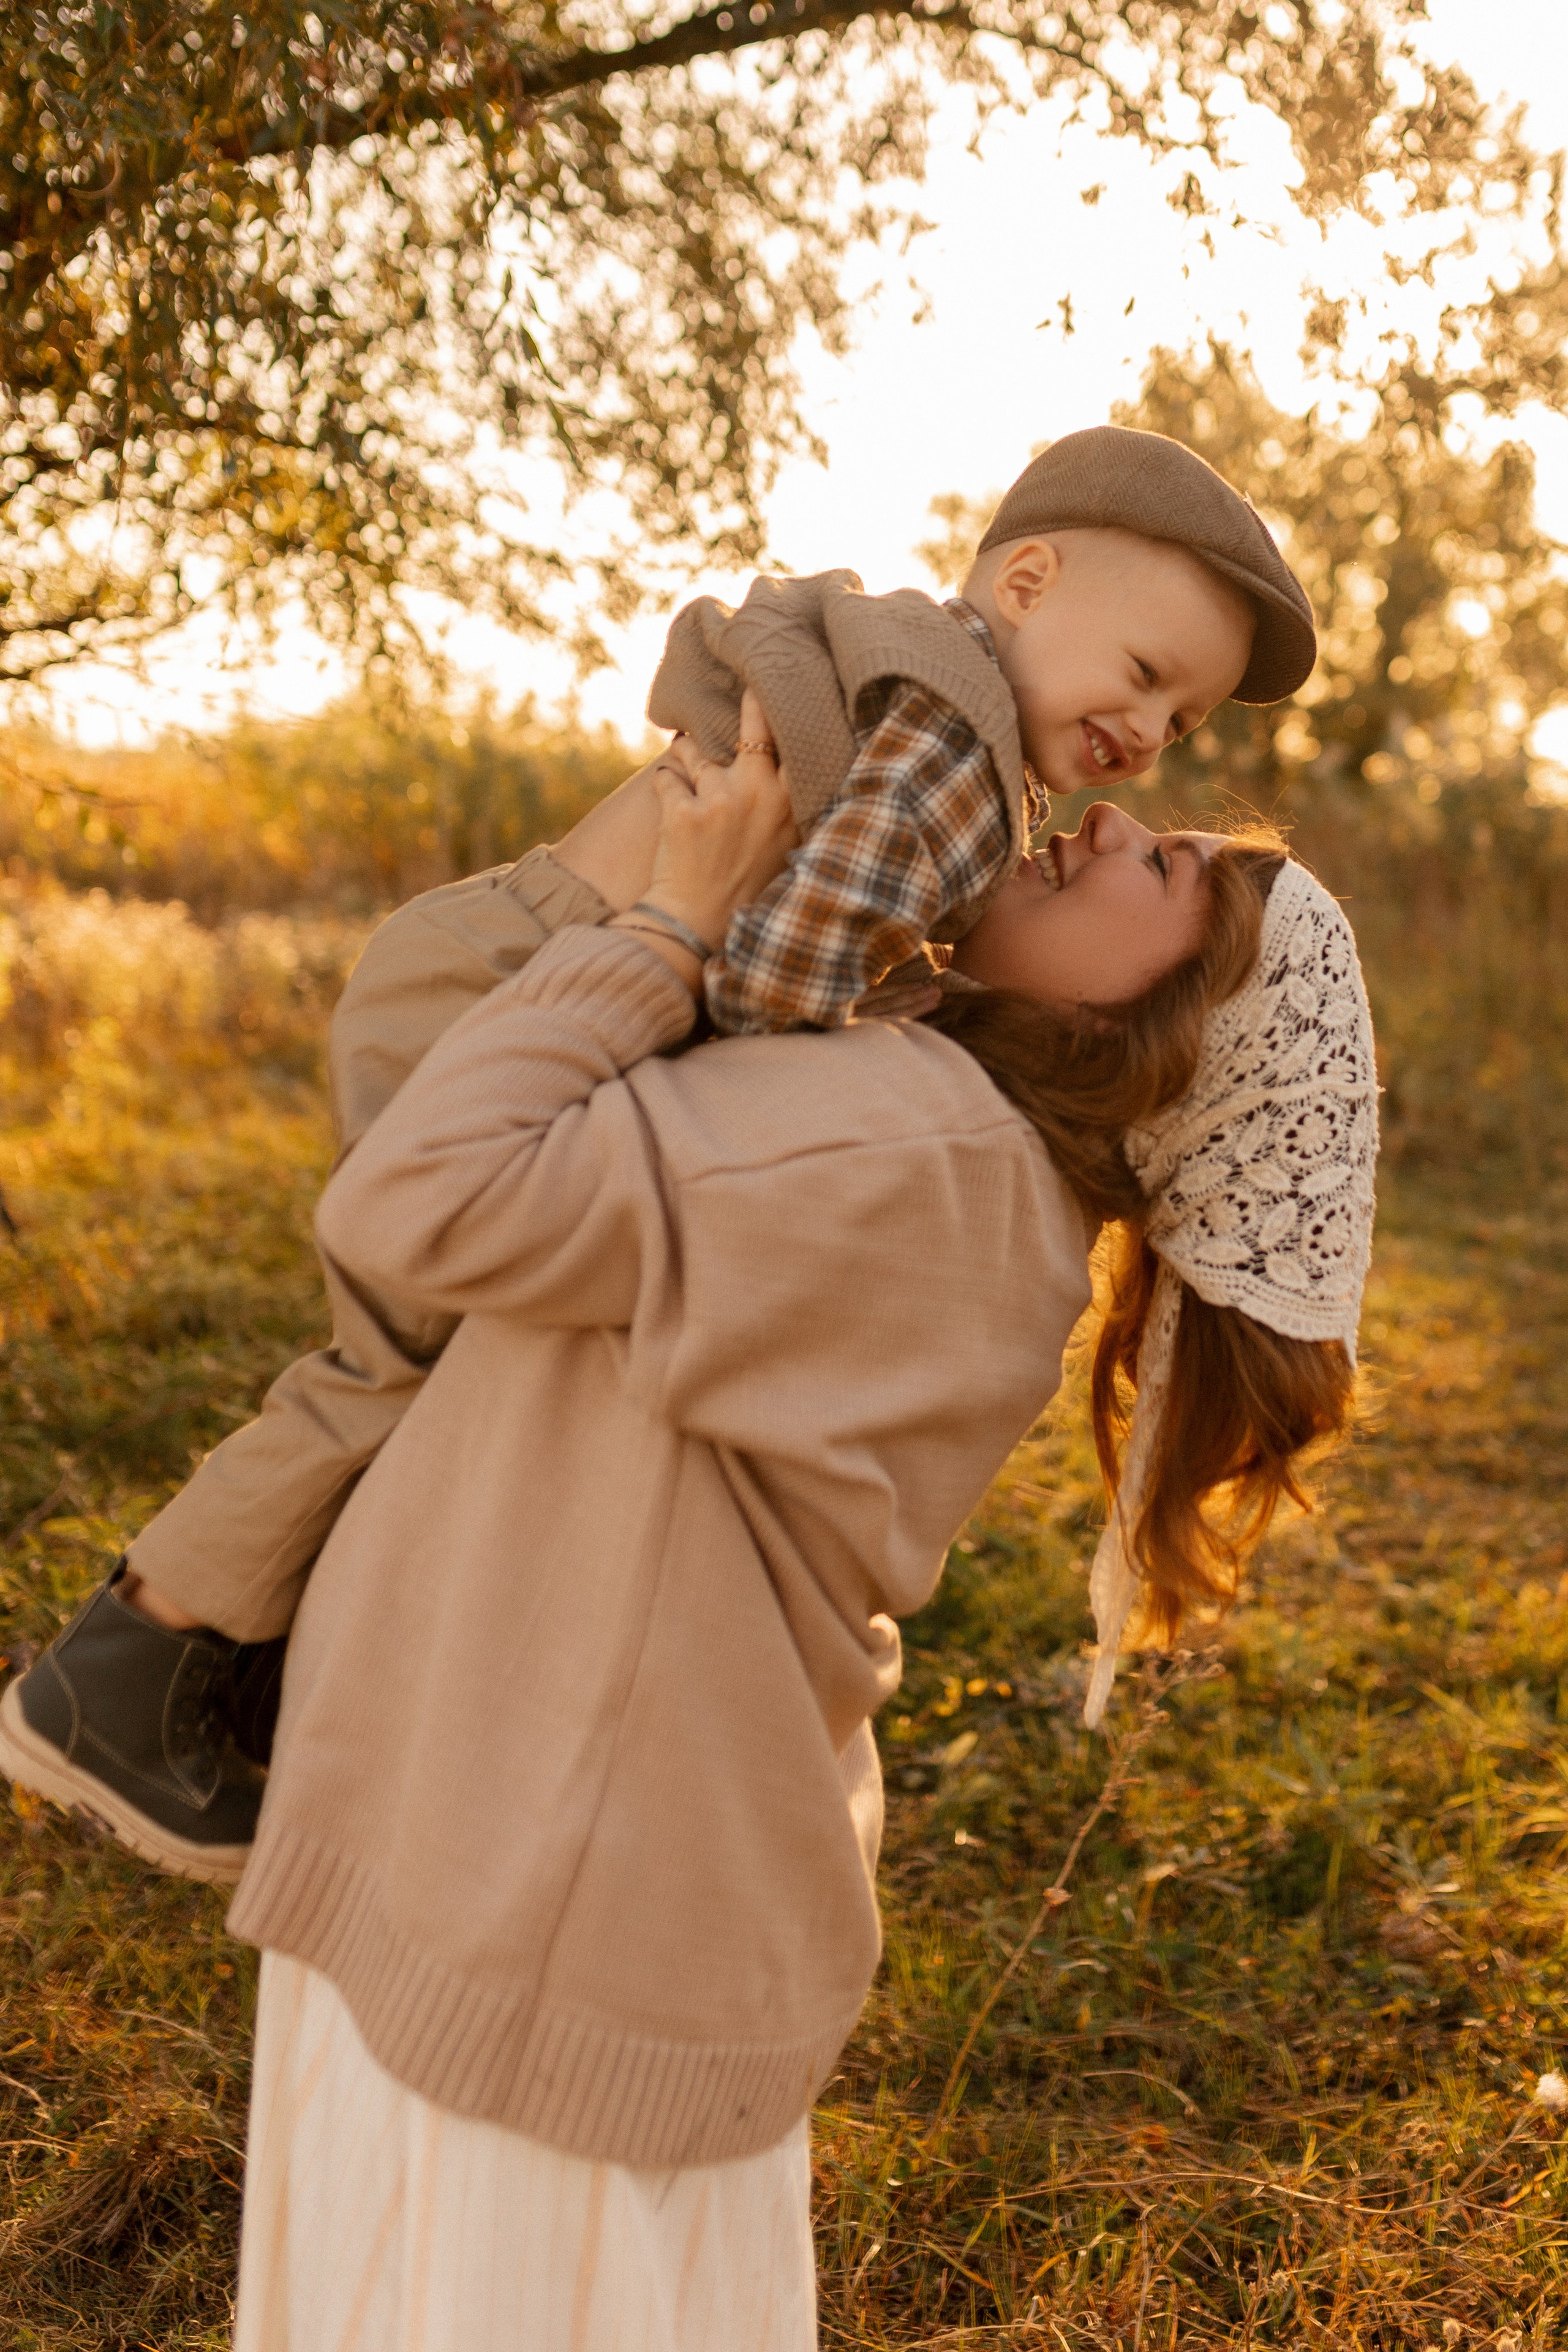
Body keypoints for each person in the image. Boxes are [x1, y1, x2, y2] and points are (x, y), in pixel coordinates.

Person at [0, 423, 1320, 1874]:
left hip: (493, 952)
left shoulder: (925, 699)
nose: (1147, 744)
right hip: (509, 985)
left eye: (1183, 724)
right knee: (397, 1363)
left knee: (451, 1365)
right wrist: (868, 1047)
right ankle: (125, 1676)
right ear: (1025, 581)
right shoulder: (954, 760)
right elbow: (772, 976)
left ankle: (253, 1663)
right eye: (1141, 678)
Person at [219, 734, 1375, 2348]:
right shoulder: (962, 1159)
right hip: (590, 1896)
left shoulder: (905, 1144)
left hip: (528, 1913)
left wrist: (667, 920)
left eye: (1167, 868)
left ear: (1160, 1030)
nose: (1113, 819)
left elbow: (417, 1197)